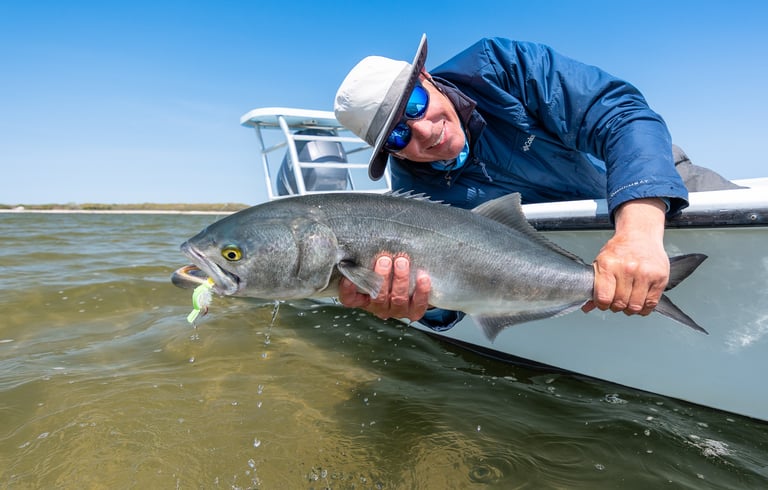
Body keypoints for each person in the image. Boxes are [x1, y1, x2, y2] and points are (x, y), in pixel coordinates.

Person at [332, 34, 739, 331]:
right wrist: (419, 306)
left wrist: (638, 232)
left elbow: (620, 115)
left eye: (416, 105)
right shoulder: (414, 199)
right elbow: (455, 297)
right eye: (398, 136)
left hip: (661, 187)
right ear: (390, 152)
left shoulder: (499, 67)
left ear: (426, 75)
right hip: (566, 279)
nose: (423, 131)